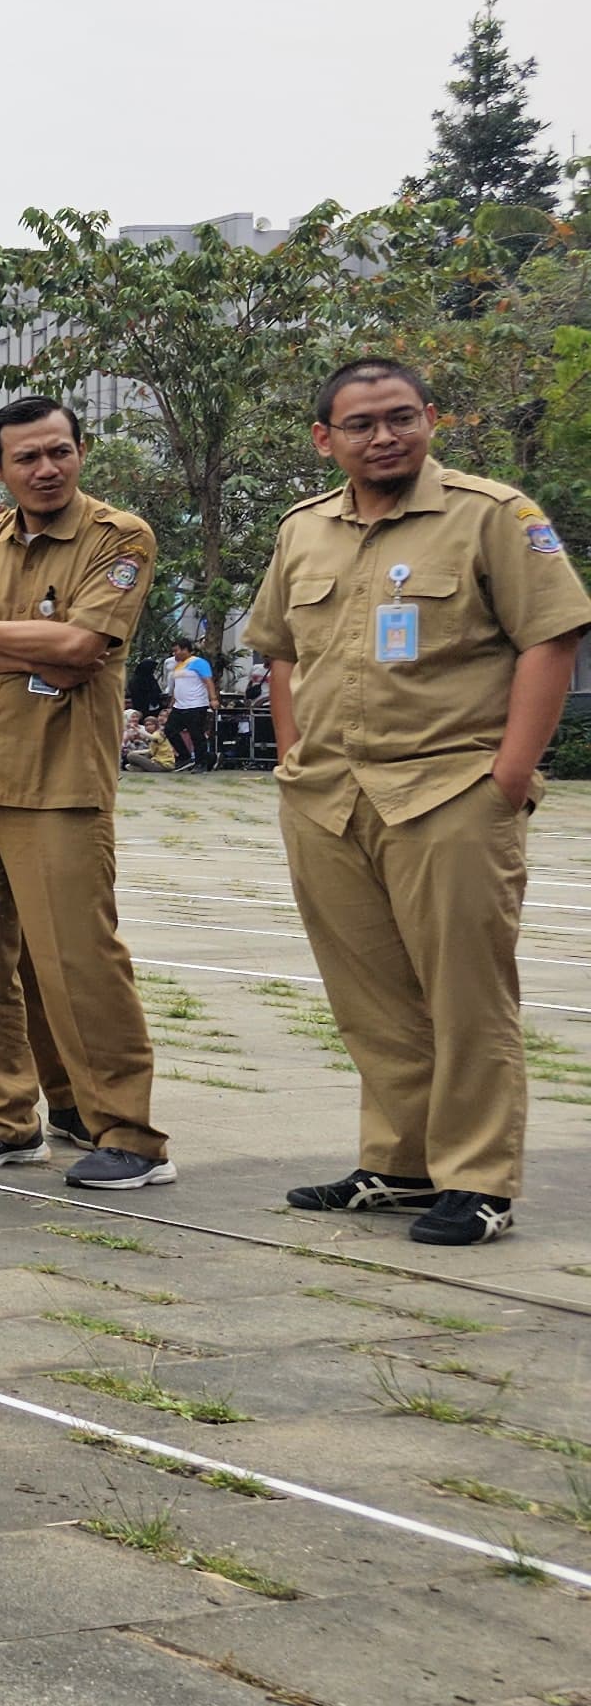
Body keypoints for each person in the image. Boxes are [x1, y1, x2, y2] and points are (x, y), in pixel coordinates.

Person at [254, 359, 590, 1246]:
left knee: (467, 993)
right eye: (361, 424)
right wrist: (293, 754)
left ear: (431, 418)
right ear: (326, 439)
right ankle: (399, 1164)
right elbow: (280, 647)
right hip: (329, 798)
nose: (384, 436)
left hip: (449, 789)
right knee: (371, 995)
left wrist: (508, 776)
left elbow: (551, 637)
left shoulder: (494, 515)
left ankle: (478, 1180)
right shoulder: (304, 530)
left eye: (401, 417)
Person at [0, 395, 171, 1189]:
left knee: (78, 963)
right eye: (26, 457)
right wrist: (2, 647)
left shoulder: (119, 536)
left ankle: (129, 1134)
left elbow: (82, 645)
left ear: (81, 451)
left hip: (60, 782)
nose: (46, 468)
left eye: (59, 451)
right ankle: (3, 1120)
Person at [164, 639, 216, 772]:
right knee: (170, 729)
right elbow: (177, 686)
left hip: (196, 704)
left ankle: (201, 762)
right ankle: (184, 756)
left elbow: (208, 681)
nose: (174, 653)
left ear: (185, 649)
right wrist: (171, 704)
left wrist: (213, 698)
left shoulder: (198, 663)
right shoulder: (178, 665)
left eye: (176, 650)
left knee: (196, 734)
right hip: (180, 706)